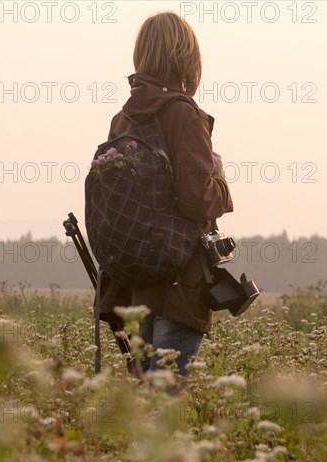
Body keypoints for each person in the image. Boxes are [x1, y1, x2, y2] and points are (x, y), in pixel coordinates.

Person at [96, 11, 233, 377]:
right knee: (165, 401)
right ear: (186, 56)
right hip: (178, 282)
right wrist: (221, 184)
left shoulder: (122, 120)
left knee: (146, 399)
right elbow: (195, 197)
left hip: (131, 286)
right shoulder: (183, 114)